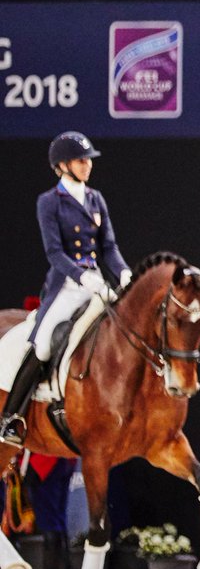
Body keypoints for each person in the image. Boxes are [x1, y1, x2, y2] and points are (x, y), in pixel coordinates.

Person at [0, 132, 131, 446]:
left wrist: (124, 273)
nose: (87, 166)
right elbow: (54, 253)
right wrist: (81, 276)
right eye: (81, 160)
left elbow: (108, 246)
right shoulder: (49, 202)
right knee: (43, 343)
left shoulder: (96, 199)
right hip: (67, 287)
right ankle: (11, 418)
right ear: (62, 165)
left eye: (88, 160)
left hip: (99, 283)